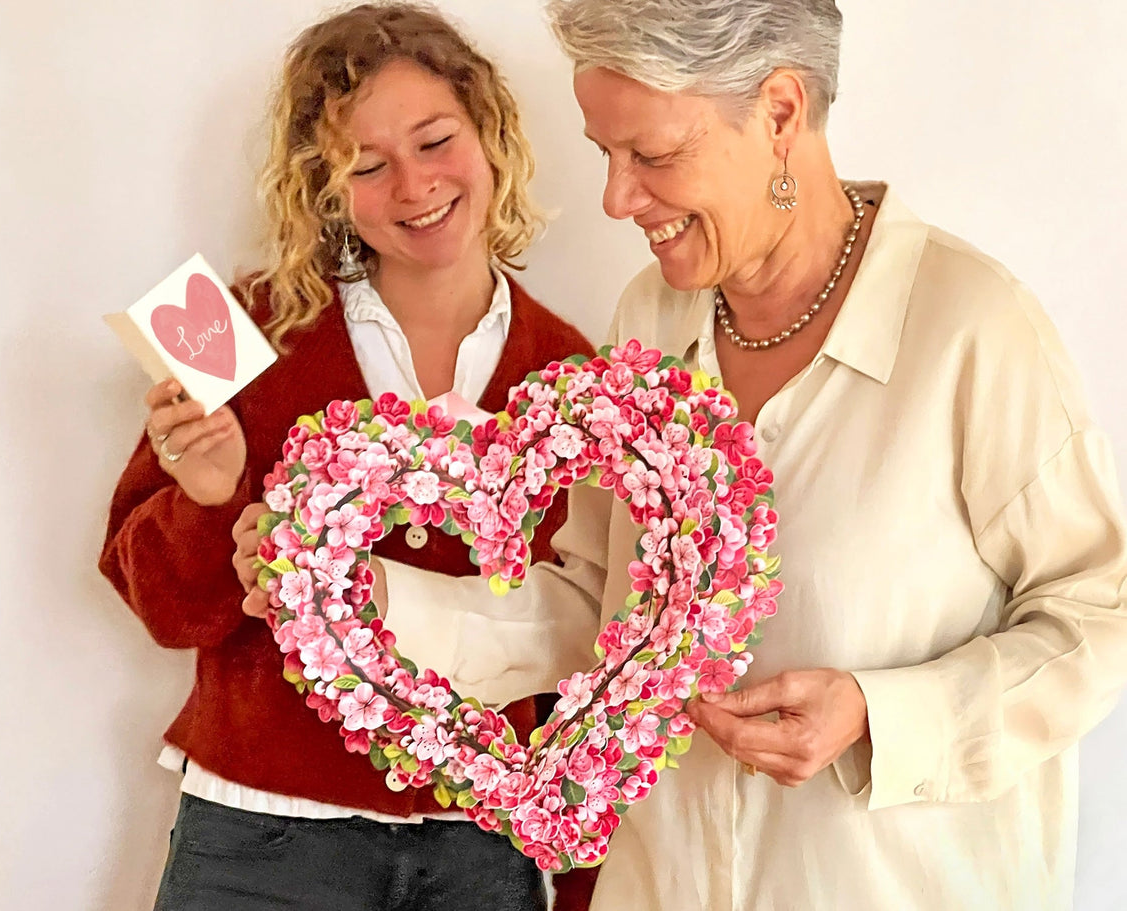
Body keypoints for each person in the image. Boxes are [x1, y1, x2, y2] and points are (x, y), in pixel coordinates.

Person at [369, 1, 1127, 909]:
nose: (615, 197)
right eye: (606, 153)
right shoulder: (648, 320)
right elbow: (594, 604)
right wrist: (366, 599)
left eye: (651, 155)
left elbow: (1099, 615)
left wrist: (878, 718)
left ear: (778, 112)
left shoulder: (971, 329)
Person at [99, 4, 597, 909]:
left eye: (435, 140)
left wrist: (574, 874)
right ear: (326, 191)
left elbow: (589, 648)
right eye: (367, 166)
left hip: (482, 846)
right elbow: (164, 608)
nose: (414, 186)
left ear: (490, 135)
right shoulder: (242, 328)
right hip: (261, 833)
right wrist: (210, 498)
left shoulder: (575, 376)